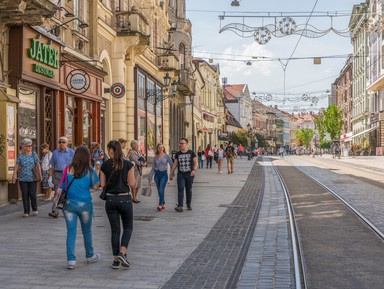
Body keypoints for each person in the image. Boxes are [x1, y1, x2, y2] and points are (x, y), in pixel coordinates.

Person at [61, 146, 101, 269]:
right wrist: (97, 172)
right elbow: (96, 187)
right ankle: (90, 256)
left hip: (69, 205)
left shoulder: (68, 168)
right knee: (87, 231)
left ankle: (71, 260)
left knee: (71, 232)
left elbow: (63, 186)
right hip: (85, 205)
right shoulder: (89, 170)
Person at [100, 140, 135, 269]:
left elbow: (103, 185)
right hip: (124, 199)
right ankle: (122, 252)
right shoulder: (128, 165)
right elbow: (132, 184)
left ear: (110, 151)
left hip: (110, 200)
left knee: (115, 230)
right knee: (128, 227)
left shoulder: (105, 166)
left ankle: (115, 260)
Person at [11, 138, 41, 217]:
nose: (30, 147)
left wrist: (40, 175)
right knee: (24, 194)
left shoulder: (34, 154)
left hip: (32, 178)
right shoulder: (20, 156)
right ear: (24, 147)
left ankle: (34, 209)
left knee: (32, 194)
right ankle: (26, 211)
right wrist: (14, 176)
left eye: (31, 146)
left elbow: (38, 165)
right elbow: (17, 166)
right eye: (28, 146)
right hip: (22, 178)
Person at [49, 136, 75, 218]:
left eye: (63, 142)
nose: (61, 144)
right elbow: (52, 165)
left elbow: (75, 165)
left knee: (68, 192)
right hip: (58, 174)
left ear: (67, 143)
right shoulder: (55, 152)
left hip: (68, 175)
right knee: (57, 192)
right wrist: (50, 177)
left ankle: (67, 210)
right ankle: (54, 210)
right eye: (60, 142)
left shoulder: (72, 152)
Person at [170, 138, 198, 212]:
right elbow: (175, 164)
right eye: (180, 143)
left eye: (182, 143)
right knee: (180, 188)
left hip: (189, 174)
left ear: (186, 144)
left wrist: (194, 170)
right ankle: (180, 206)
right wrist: (171, 173)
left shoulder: (191, 152)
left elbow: (196, 163)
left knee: (188, 189)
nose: (180, 145)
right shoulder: (178, 153)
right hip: (181, 174)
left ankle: (188, 204)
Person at [148, 143, 173, 211]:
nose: (160, 149)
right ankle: (163, 203)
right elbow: (153, 167)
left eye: (162, 147)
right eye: (159, 147)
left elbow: (172, 165)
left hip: (164, 175)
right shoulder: (155, 157)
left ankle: (160, 205)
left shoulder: (167, 156)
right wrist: (150, 177)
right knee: (159, 191)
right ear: (157, 149)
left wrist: (171, 174)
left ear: (163, 148)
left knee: (161, 189)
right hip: (157, 175)